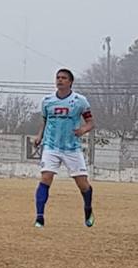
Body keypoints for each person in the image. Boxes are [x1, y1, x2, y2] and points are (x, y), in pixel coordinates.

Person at [33, 68, 96, 228]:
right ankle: (39, 218)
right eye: (58, 77)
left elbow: (90, 123)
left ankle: (88, 209)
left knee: (83, 184)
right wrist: (39, 136)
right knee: (46, 178)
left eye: (63, 78)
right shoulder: (47, 101)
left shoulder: (79, 101)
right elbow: (45, 121)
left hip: (71, 148)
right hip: (51, 146)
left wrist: (82, 130)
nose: (59, 80)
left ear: (70, 82)